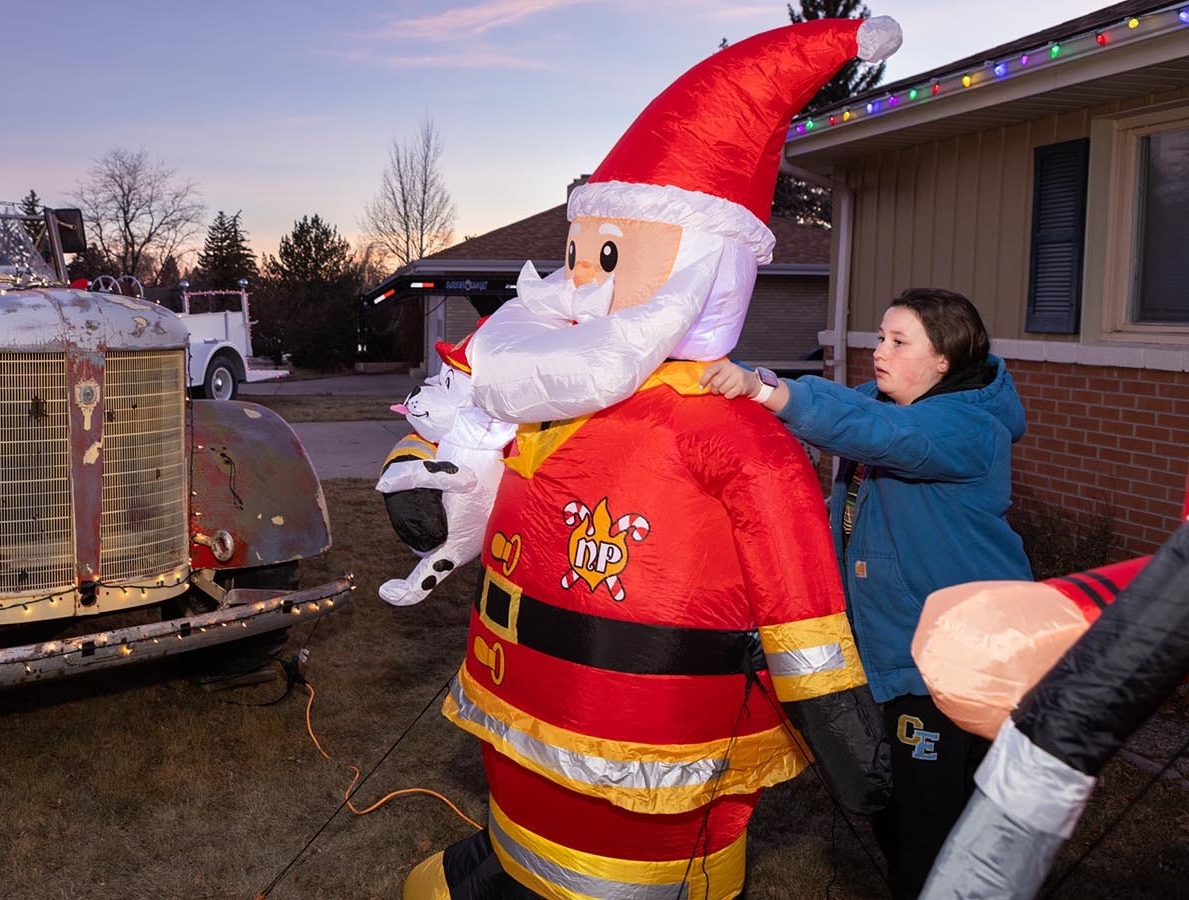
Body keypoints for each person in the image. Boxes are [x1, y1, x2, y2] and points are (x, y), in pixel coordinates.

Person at [401, 16, 901, 900]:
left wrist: (831, 709)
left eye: (607, 257)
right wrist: (423, 472)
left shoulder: (728, 430)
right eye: (575, 256)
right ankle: (507, 860)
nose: (582, 282)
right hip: (518, 689)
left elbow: (795, 579)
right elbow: (466, 427)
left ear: (703, 268)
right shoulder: (557, 388)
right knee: (516, 802)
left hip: (643, 727)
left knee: (625, 854)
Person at [701, 287, 1033, 900]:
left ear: (944, 362)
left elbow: (880, 434)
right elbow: (832, 401)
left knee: (926, 827)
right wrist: (750, 379)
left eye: (899, 342)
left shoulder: (966, 428)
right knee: (900, 807)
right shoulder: (887, 403)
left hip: (959, 659)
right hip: (900, 651)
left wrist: (764, 391)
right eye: (880, 336)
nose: (879, 351)